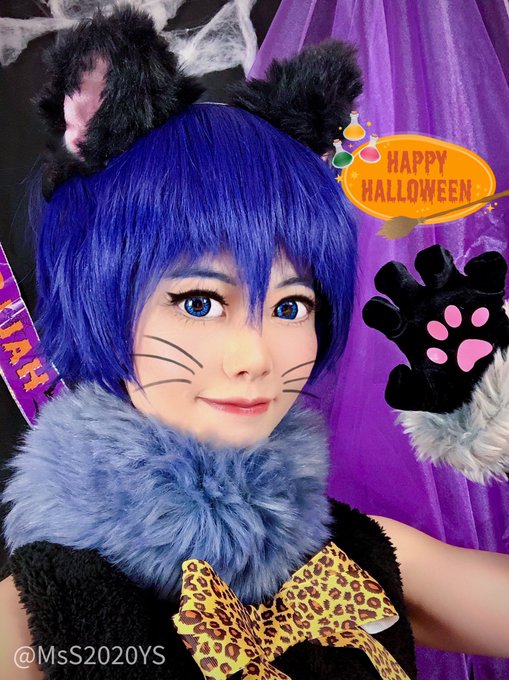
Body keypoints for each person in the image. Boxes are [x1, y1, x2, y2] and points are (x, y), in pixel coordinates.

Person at [0, 7, 508, 680]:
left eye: (291, 306)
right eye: (200, 302)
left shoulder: (365, 555)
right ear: (102, 299)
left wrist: (488, 417)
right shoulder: (33, 620)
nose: (258, 358)